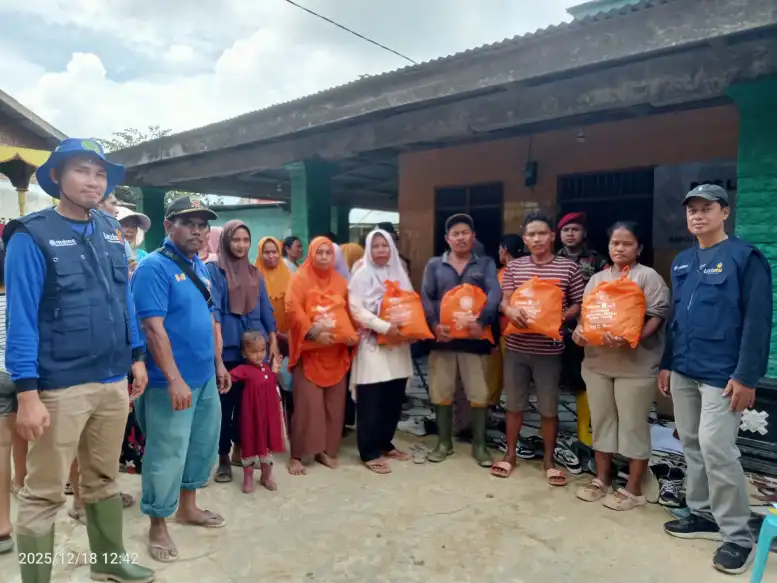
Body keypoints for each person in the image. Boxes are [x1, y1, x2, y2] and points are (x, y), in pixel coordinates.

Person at [3, 138, 153, 583]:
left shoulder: (110, 230)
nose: (94, 181)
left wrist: (137, 356)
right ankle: (35, 578)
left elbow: (124, 301)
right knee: (43, 494)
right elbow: (22, 319)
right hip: (60, 387)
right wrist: (28, 395)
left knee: (104, 479)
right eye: (83, 171)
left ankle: (108, 564)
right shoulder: (31, 235)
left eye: (100, 173)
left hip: (111, 381)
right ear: (57, 178)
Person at [659, 184, 773, 575]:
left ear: (724, 213)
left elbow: (758, 323)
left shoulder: (745, 258)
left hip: (724, 376)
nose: (697, 216)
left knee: (717, 447)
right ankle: (702, 513)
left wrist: (747, 375)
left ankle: (738, 535)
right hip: (685, 370)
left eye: (707, 208)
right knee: (690, 442)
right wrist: (666, 363)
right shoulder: (682, 262)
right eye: (692, 210)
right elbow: (676, 320)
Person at [131, 196, 231, 563]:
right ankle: (158, 523)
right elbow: (153, 329)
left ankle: (187, 507)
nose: (198, 230)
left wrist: (219, 363)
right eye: (189, 222)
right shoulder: (153, 268)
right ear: (169, 224)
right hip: (168, 384)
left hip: (205, 378)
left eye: (203, 224)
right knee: (165, 454)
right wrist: (174, 379)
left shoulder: (200, 267)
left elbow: (207, 319)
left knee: (201, 446)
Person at [572, 222, 669, 510]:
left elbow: (658, 314)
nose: (619, 248)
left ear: (638, 247)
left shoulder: (648, 277)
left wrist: (634, 338)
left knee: (633, 426)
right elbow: (587, 315)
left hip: (636, 367)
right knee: (602, 422)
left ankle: (634, 489)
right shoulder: (597, 279)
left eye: (626, 243)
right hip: (598, 364)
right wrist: (579, 331)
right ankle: (602, 479)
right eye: (615, 243)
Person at [496, 212, 584, 485]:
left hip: (549, 350)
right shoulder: (515, 268)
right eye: (531, 234)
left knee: (548, 408)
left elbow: (578, 303)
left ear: (551, 236)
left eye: (542, 233)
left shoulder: (568, 268)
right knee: (514, 405)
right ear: (525, 239)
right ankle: (510, 455)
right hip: (516, 347)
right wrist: (510, 312)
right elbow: (503, 300)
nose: (537, 239)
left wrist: (560, 317)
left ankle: (548, 460)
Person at [420, 213, 500, 468]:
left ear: (473, 236)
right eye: (455, 233)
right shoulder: (434, 265)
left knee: (479, 393)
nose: (461, 237)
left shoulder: (485, 264)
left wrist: (483, 322)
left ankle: (480, 446)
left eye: (465, 232)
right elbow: (426, 296)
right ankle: (444, 443)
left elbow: (495, 293)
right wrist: (434, 325)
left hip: (475, 342)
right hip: (443, 342)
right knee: (441, 392)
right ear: (447, 239)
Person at [208, 221, 278, 483]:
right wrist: (217, 356)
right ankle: (223, 458)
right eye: (235, 239)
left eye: (245, 240)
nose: (240, 245)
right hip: (228, 350)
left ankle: (242, 451)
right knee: (225, 408)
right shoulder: (214, 270)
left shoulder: (254, 272)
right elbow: (213, 310)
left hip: (256, 349)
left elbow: (266, 308)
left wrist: (273, 344)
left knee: (250, 407)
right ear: (226, 241)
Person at [285, 236, 357, 475]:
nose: (324, 257)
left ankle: (324, 450)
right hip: (310, 352)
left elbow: (348, 311)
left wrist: (349, 335)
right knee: (307, 407)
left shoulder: (340, 282)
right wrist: (314, 333)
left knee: (333, 407)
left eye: (328, 253)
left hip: (335, 353)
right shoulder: (300, 278)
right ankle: (297, 455)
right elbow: (292, 308)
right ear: (311, 254)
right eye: (320, 252)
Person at [348, 229, 414, 474]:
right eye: (375, 246)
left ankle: (385, 442)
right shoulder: (361, 274)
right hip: (372, 344)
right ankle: (368, 451)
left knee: (393, 396)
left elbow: (410, 304)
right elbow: (356, 309)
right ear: (368, 249)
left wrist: (410, 327)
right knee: (370, 398)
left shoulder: (400, 272)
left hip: (397, 345)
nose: (380, 250)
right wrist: (384, 326)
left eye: (384, 246)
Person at [229, 331, 285, 493]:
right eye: (253, 351)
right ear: (244, 353)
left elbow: (272, 384)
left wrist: (274, 370)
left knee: (267, 447)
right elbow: (228, 377)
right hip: (251, 417)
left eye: (262, 350)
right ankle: (248, 479)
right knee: (250, 444)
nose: (259, 355)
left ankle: (266, 476)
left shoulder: (267, 369)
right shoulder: (243, 370)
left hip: (268, 416)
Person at [0, 240, 27, 555]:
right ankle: (22, 482)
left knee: (1, 448)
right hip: (24, 374)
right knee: (24, 433)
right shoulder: (21, 299)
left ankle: (3, 526)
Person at [255, 237, 293, 423]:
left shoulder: (289, 275)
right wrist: (274, 335)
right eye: (266, 252)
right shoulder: (254, 276)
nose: (271, 256)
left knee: (289, 387)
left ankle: (290, 430)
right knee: (266, 386)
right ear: (260, 254)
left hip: (290, 339)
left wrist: (287, 335)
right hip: (263, 341)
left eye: (274, 251)